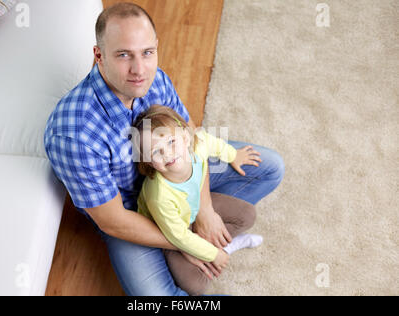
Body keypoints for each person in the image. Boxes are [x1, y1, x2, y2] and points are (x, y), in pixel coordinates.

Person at [44, 2, 285, 296]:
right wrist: (184, 243)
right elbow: (114, 221)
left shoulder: (155, 79)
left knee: (270, 169)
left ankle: (188, 232)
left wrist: (205, 211)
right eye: (124, 55)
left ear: (156, 47)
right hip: (130, 213)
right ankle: (177, 253)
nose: (139, 69)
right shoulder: (73, 134)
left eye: (147, 52)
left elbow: (192, 143)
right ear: (99, 56)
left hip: (176, 178)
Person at [134, 105, 264, 295]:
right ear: (147, 161)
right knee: (195, 285)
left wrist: (233, 155)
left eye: (171, 141)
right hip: (169, 231)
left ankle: (227, 246)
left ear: (186, 137)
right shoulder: (159, 196)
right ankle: (221, 248)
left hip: (193, 210)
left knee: (247, 215)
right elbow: (178, 236)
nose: (167, 154)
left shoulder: (197, 145)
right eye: (156, 152)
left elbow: (214, 144)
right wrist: (212, 254)